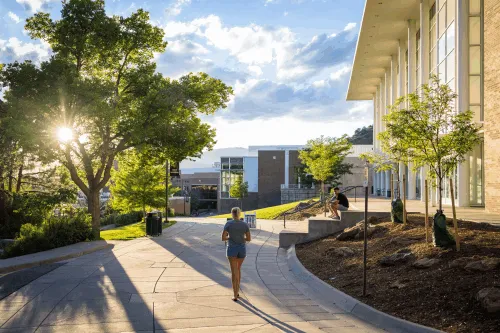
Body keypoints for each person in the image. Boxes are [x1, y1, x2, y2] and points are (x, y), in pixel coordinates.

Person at [221, 207, 251, 301]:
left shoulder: (228, 224)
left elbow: (223, 238)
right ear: (239, 214)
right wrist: (241, 238)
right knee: (238, 269)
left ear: (232, 214)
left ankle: (235, 294)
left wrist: (230, 237)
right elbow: (249, 239)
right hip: (242, 249)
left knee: (234, 272)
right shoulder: (244, 224)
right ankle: (237, 291)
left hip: (231, 249)